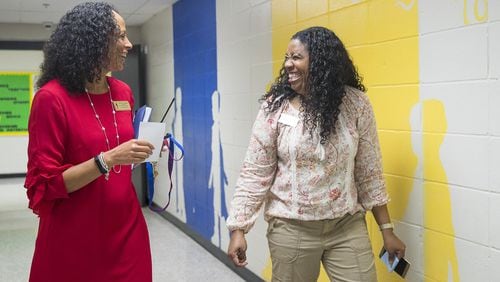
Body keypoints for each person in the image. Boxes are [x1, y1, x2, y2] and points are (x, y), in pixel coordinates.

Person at [226, 26, 406, 282]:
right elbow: (255, 173)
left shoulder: (356, 105)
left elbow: (369, 172)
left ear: (322, 63)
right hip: (291, 228)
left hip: (346, 225)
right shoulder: (274, 108)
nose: (288, 64)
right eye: (287, 57)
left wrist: (386, 229)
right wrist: (239, 229)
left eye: (296, 57)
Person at [24, 2, 154, 281]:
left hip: (126, 230)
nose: (128, 44)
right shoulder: (51, 99)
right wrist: (106, 160)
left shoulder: (123, 92)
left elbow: (118, 147)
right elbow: (45, 184)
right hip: (74, 236)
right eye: (120, 35)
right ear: (93, 40)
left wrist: (145, 148)